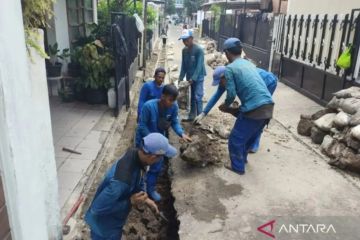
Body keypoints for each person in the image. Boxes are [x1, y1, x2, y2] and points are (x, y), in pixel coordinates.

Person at [85, 133, 177, 240]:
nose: (160, 161)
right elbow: (97, 209)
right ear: (152, 157)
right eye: (160, 158)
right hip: (104, 226)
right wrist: (130, 202)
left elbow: (140, 177)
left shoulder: (137, 155)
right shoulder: (120, 182)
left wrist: (147, 199)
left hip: (114, 218)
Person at [219, 38, 274, 175]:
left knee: (236, 138)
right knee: (249, 136)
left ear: (226, 53)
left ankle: (237, 167)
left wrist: (226, 106)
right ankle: (242, 159)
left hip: (255, 109)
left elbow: (231, 94)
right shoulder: (248, 64)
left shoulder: (230, 68)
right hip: (268, 107)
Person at [194, 66, 278, 153]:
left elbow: (247, 95)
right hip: (258, 82)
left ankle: (254, 143)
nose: (220, 84)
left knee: (259, 111)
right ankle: (249, 136)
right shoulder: (225, 80)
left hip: (268, 81)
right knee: (250, 111)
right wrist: (203, 113)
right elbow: (216, 96)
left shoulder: (238, 78)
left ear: (225, 76)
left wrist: (230, 106)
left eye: (220, 82)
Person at [136, 84, 192, 201]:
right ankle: (139, 190)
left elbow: (174, 122)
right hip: (145, 141)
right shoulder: (148, 107)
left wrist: (181, 133)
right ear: (162, 96)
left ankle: (150, 190)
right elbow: (142, 126)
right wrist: (152, 139)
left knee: (156, 167)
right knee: (140, 167)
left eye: (174, 100)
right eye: (170, 100)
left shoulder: (173, 107)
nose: (172, 103)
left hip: (160, 142)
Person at [179, 29, 206, 120]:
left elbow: (199, 66)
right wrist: (180, 77)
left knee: (198, 96)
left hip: (198, 77)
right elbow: (183, 65)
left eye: (186, 40)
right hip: (189, 77)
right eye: (183, 40)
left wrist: (194, 78)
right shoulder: (184, 51)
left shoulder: (199, 50)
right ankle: (191, 116)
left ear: (191, 38)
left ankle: (200, 118)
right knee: (191, 97)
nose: (184, 42)